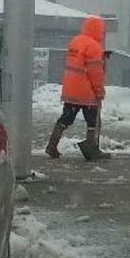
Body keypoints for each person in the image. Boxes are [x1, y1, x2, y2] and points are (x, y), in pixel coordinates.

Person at [45, 15, 107, 159]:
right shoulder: (93, 46)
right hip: (86, 92)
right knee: (93, 121)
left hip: (70, 88)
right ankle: (92, 150)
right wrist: (99, 91)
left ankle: (51, 146)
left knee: (66, 118)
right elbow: (95, 72)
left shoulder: (75, 42)